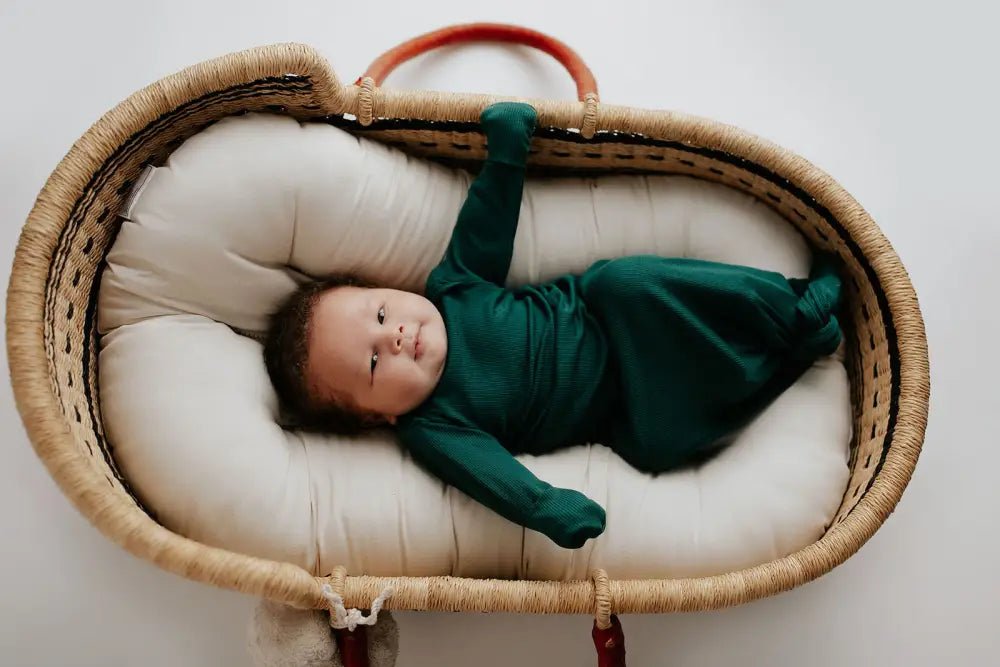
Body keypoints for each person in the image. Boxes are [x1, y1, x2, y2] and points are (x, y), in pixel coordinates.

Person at [264, 102, 843, 549]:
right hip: (627, 410)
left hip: (614, 320)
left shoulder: (453, 289)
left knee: (623, 280)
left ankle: (790, 307)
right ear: (378, 417)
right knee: (665, 434)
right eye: (372, 362)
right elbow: (491, 476)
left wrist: (507, 152)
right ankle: (797, 349)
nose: (392, 336)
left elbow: (488, 223)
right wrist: (545, 507)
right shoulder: (433, 428)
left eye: (380, 313)